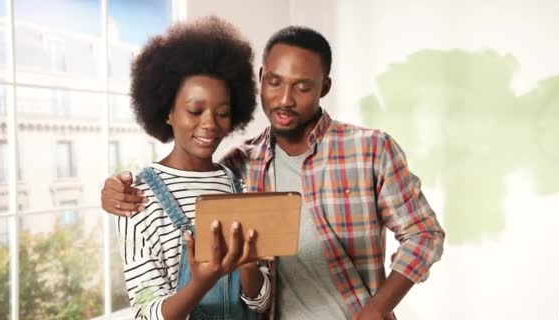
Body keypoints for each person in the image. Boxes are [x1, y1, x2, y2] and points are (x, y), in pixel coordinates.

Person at [102, 25, 445, 320]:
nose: (284, 99)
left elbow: (424, 235)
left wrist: (375, 310)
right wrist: (115, 189)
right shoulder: (239, 166)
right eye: (276, 82)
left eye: (302, 86)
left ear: (324, 87)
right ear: (261, 78)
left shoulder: (371, 149)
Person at [113, 16, 271, 320]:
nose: (210, 124)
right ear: (167, 111)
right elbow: (145, 313)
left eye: (223, 112)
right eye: (195, 111)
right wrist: (200, 283)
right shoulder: (137, 198)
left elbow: (261, 303)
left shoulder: (238, 186)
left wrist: (249, 267)